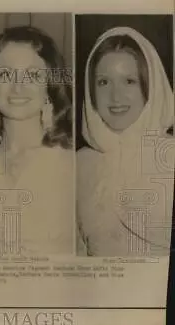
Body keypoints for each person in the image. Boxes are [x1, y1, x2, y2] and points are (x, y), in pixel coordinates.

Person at [0, 26, 74, 255]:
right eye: (5, 74)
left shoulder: (71, 160)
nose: (17, 87)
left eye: (32, 75)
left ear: (50, 85)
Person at [77, 27, 174, 256]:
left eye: (129, 81)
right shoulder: (78, 164)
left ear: (149, 87)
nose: (116, 97)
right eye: (103, 82)